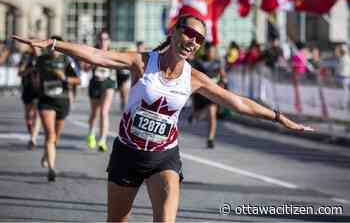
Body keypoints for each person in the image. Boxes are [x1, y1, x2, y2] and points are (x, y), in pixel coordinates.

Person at [13, 14, 313, 221]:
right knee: (117, 220)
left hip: (163, 158)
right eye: (189, 33)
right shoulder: (142, 62)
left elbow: (237, 102)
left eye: (199, 39)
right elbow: (96, 55)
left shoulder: (195, 78)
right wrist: (54, 44)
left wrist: (277, 116)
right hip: (127, 154)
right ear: (174, 32)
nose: (194, 41)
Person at [34, 35, 81, 181]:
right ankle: (51, 169)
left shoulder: (66, 61)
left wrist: (65, 78)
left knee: (55, 137)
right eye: (51, 45)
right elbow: (35, 76)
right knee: (50, 134)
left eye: (56, 45)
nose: (53, 48)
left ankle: (46, 154)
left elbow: (78, 80)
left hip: (62, 101)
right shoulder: (41, 60)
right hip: (45, 101)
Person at [190, 41, 227, 148]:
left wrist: (224, 80)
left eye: (212, 51)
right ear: (205, 51)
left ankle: (210, 138)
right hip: (200, 92)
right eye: (209, 50)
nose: (211, 52)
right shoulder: (198, 61)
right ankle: (195, 115)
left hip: (213, 92)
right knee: (199, 115)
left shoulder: (218, 62)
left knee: (212, 113)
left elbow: (222, 74)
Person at [86, 31, 116, 152]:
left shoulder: (113, 53)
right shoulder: (93, 51)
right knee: (95, 113)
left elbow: (120, 66)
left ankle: (102, 140)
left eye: (105, 39)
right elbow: (85, 68)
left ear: (109, 40)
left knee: (104, 112)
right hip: (95, 83)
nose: (103, 41)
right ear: (98, 40)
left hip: (109, 82)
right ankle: (91, 133)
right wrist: (93, 62)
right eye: (101, 39)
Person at [18, 44, 41, 150]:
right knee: (28, 115)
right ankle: (31, 132)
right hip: (28, 88)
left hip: (40, 89)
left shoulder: (42, 58)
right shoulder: (26, 57)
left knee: (37, 114)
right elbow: (20, 72)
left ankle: (33, 138)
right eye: (34, 46)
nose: (36, 48)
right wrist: (30, 70)